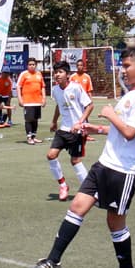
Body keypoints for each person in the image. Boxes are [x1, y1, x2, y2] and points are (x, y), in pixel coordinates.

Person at [27, 45, 135, 268]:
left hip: (125, 169)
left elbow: (130, 133)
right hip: (105, 164)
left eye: (127, 66)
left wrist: (108, 114)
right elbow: (121, 129)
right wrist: (97, 129)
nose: (123, 70)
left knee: (114, 222)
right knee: (77, 207)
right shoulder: (130, 94)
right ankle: (53, 260)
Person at [45, 60, 95, 201]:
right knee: (51, 155)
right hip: (63, 129)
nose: (57, 75)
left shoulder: (76, 88)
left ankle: (88, 191)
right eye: (56, 72)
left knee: (75, 161)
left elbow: (90, 106)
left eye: (60, 72)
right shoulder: (55, 90)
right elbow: (59, 105)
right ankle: (63, 185)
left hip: (77, 131)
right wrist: (54, 121)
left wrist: (80, 123)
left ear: (68, 75)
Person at [18, 57, 46, 145]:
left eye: (33, 64)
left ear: (36, 65)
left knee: (35, 119)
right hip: (27, 101)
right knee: (29, 120)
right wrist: (20, 98)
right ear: (27, 65)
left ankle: (34, 136)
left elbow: (43, 87)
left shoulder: (39, 74)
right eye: (30, 64)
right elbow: (19, 87)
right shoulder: (24, 74)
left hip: (37, 101)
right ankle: (29, 137)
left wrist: (44, 98)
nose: (32, 66)